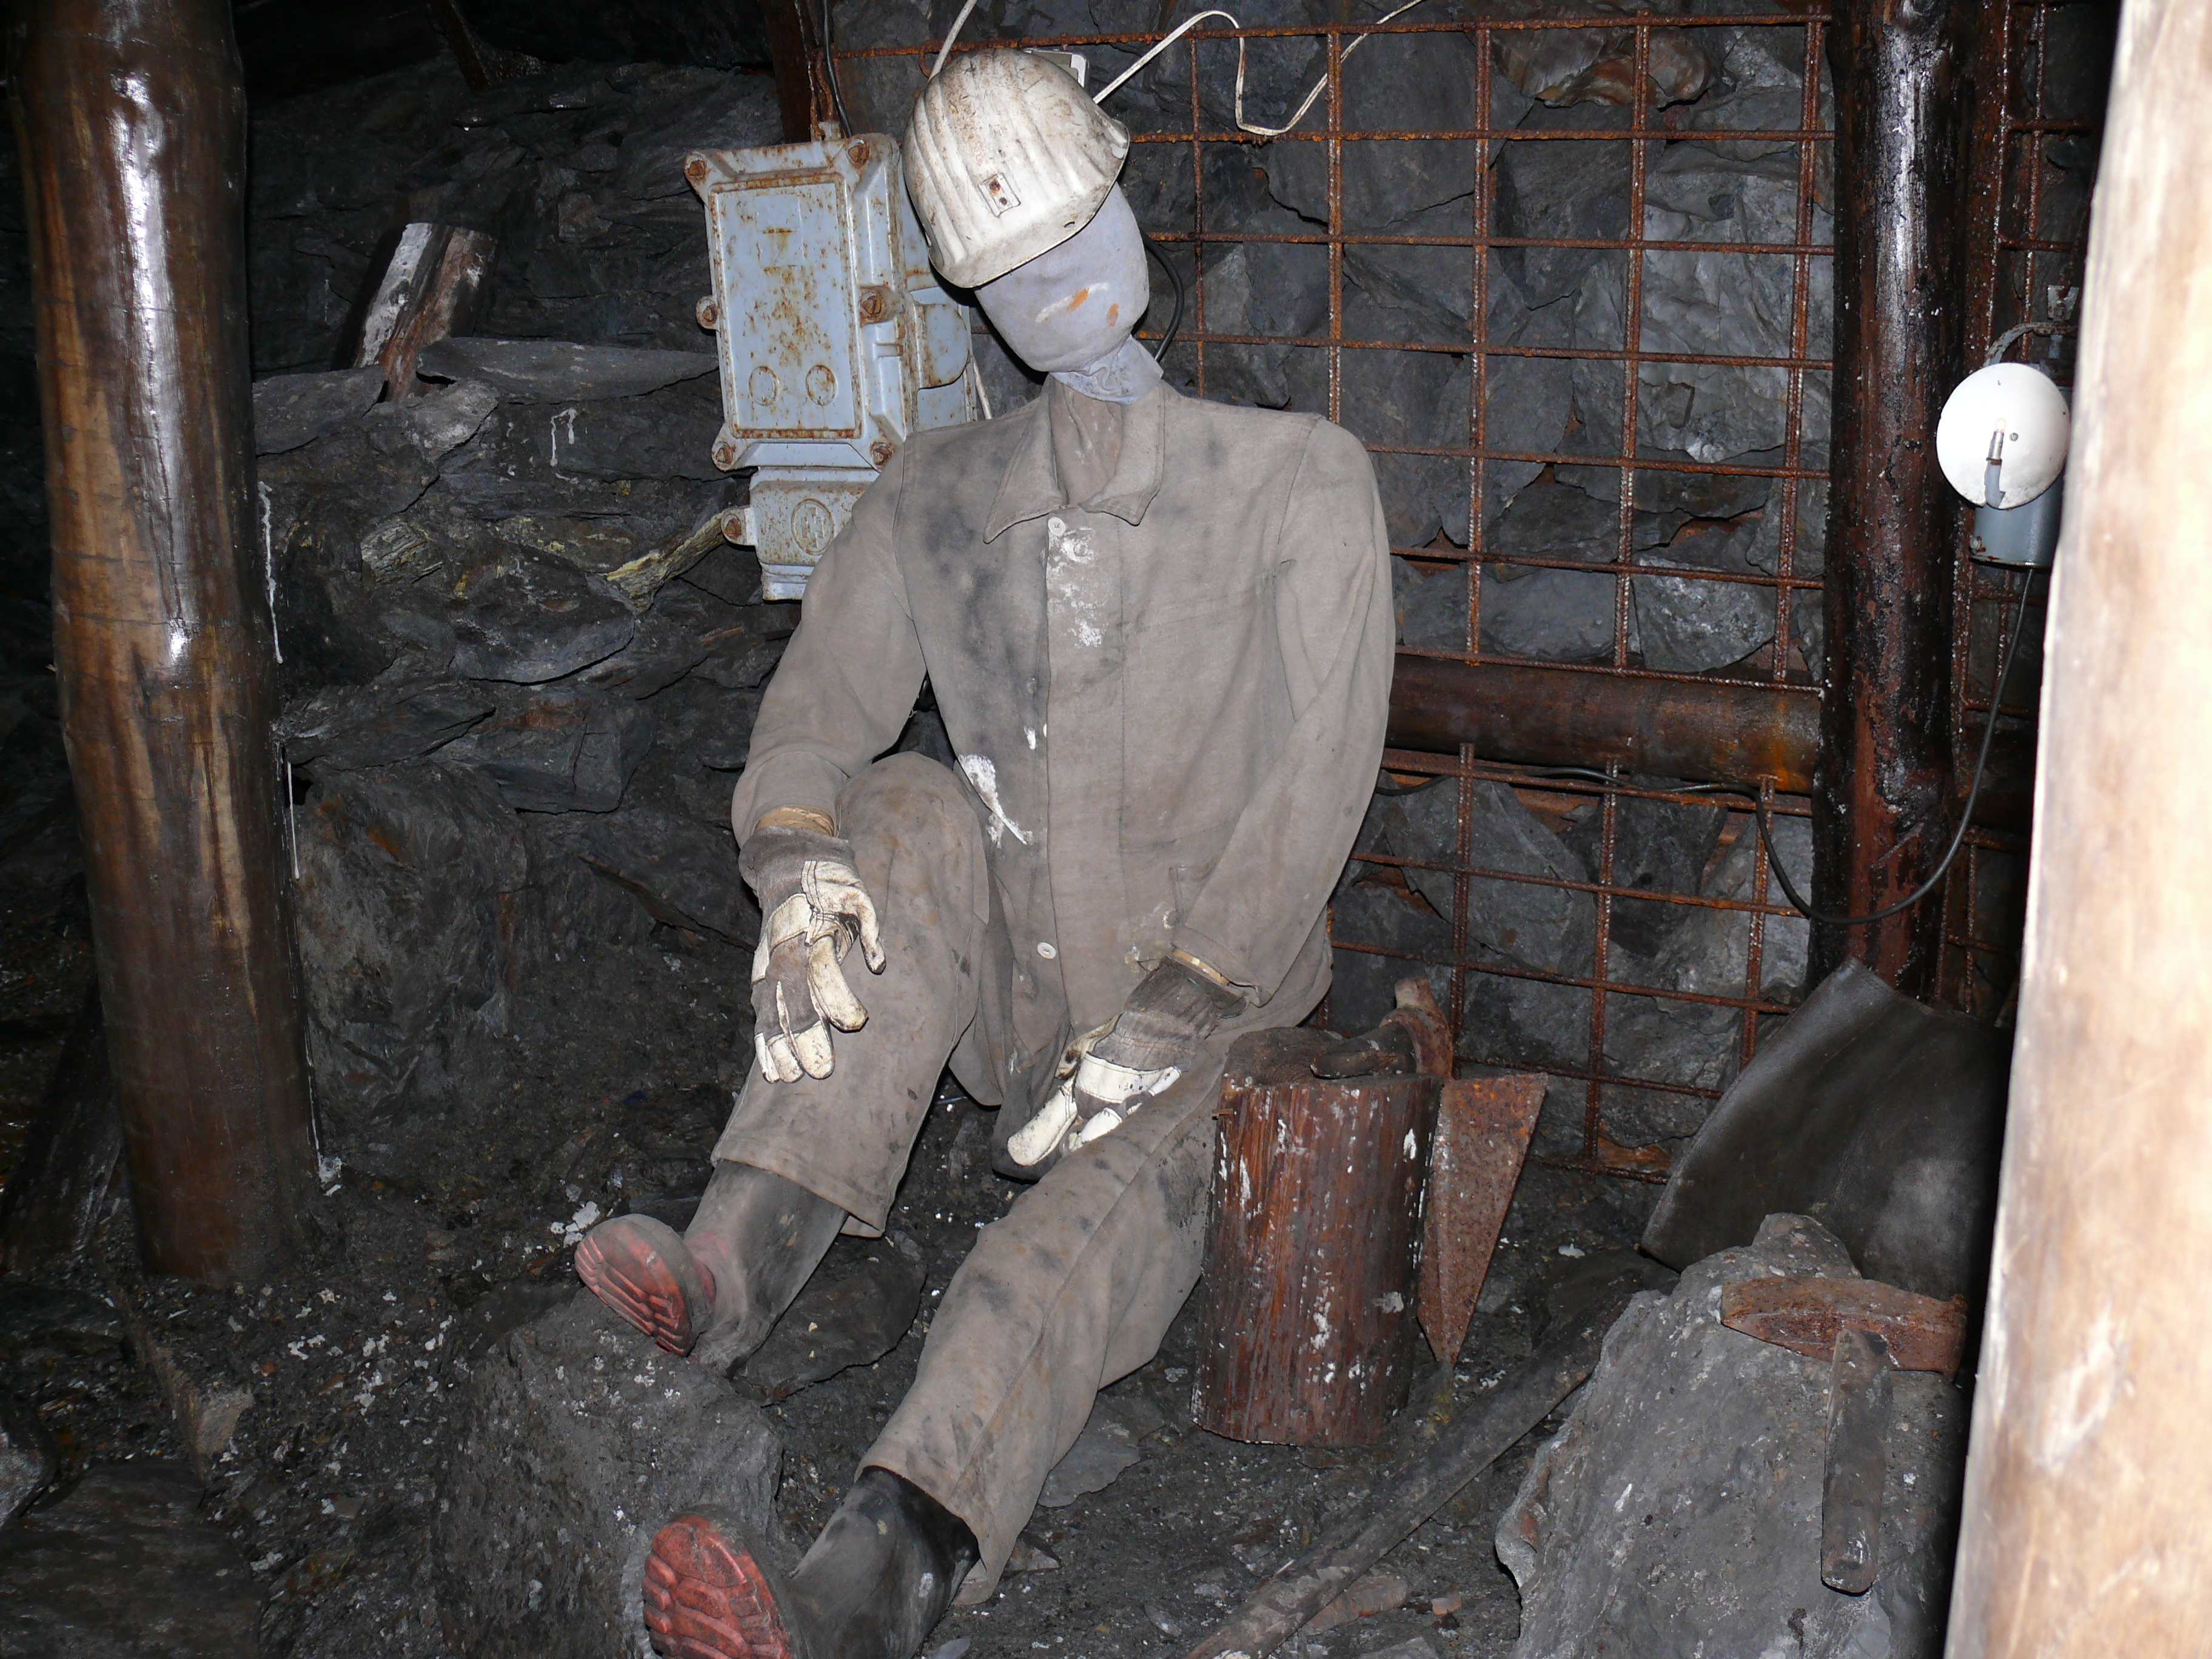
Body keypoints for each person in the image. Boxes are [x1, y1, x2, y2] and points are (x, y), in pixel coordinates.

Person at [574, 47, 1395, 1659]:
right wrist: (793, 860)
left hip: (1210, 1015)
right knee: (901, 804)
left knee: (1054, 1257)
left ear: (1128, 207)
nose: (1061, 285)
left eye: (1079, 235)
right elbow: (815, 721)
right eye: (1016, 267)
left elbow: (1322, 776)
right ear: (968, 293)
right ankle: (730, 1264)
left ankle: (871, 1577)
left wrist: (1190, 993)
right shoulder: (931, 498)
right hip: (1014, 992)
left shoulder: (1296, 481)